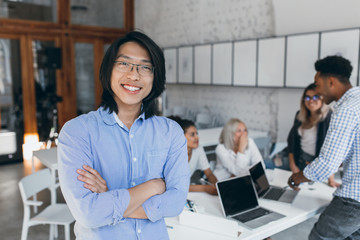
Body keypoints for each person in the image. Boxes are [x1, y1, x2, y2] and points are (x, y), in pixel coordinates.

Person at [58, 31, 190, 240]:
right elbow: (88, 214)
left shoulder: (171, 132)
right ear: (108, 70)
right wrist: (154, 186)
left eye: (145, 67)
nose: (134, 75)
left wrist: (108, 198)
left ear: (155, 77)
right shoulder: (77, 132)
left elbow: (175, 203)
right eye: (124, 64)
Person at [288, 55, 360, 239]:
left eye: (317, 84)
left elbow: (327, 164)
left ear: (331, 82)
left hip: (354, 200)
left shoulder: (345, 110)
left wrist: (297, 178)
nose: (317, 92)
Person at [287, 83, 339, 187]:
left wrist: (331, 180)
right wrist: (293, 166)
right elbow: (291, 143)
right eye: (307, 97)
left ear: (323, 99)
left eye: (316, 97)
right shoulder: (299, 115)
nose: (311, 101)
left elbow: (332, 149)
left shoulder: (329, 117)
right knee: (267, 165)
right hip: (298, 159)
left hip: (315, 165)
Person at [168, 116, 218, 195]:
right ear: (181, 136)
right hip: (169, 192)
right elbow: (175, 186)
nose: (197, 137)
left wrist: (217, 186)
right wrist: (205, 188)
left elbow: (209, 173)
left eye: (196, 134)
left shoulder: (198, 149)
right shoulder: (174, 154)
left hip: (185, 189)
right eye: (192, 135)